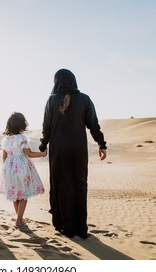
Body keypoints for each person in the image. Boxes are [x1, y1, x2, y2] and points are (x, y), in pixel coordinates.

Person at [39, 68, 107, 239]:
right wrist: (101, 144)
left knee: (62, 186)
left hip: (59, 151)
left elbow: (46, 127)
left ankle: (65, 226)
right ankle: (80, 228)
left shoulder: (52, 100)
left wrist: (43, 145)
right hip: (79, 150)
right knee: (79, 185)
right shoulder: (84, 99)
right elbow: (93, 124)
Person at [0, 112, 46, 227]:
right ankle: (19, 220)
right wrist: (43, 154)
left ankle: (19, 218)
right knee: (23, 194)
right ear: (21, 125)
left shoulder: (6, 140)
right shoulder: (22, 138)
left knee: (16, 195)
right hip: (22, 168)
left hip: (9, 169)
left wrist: (6, 171)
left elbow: (4, 157)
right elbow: (29, 153)